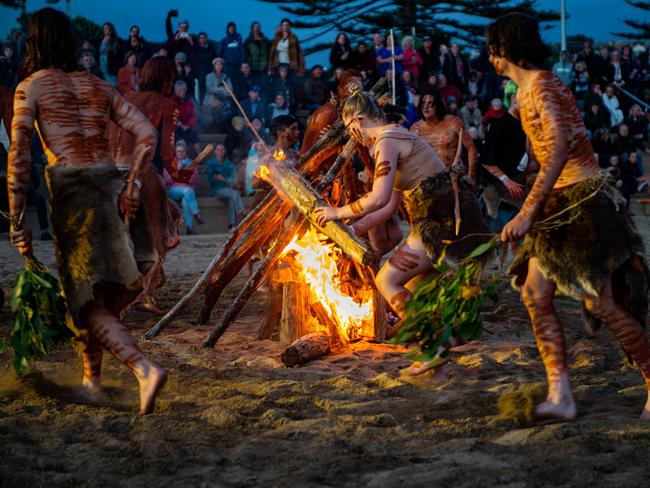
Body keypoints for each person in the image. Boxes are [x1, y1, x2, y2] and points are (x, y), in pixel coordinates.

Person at [487, 12, 650, 421]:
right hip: (560, 203)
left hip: (579, 202)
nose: (490, 58)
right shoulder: (525, 90)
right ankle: (561, 395)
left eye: (493, 49)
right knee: (535, 294)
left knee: (600, 303)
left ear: (504, 49)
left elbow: (558, 149)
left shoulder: (540, 84)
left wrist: (527, 212)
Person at [8, 8, 166, 414]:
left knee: (84, 301)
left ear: (34, 44)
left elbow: (20, 155)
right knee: (99, 296)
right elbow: (147, 132)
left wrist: (16, 217)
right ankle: (91, 382)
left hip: (75, 193)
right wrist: (131, 184)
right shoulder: (99, 86)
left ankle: (143, 368)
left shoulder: (31, 87)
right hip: (112, 186)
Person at [312, 91, 489, 338]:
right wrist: (353, 229)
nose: (354, 134)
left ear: (360, 119)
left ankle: (431, 337)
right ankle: (445, 327)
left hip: (440, 222)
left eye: (350, 126)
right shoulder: (391, 137)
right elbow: (389, 206)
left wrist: (336, 212)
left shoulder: (387, 140)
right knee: (406, 287)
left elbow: (378, 197)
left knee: (386, 281)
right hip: (439, 218)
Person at [108, 56, 181, 316]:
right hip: (138, 171)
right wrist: (179, 173)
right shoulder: (166, 104)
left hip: (106, 174)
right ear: (166, 80)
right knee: (166, 225)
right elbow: (167, 153)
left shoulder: (124, 98)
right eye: (171, 80)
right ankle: (143, 293)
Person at [479, 81, 529, 232]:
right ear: (513, 98)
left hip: (516, 181)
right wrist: (507, 181)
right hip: (495, 186)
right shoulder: (498, 125)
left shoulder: (526, 125)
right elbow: (486, 162)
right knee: (495, 233)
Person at [410, 89, 477, 181]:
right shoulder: (415, 128)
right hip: (427, 182)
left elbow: (471, 148)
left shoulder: (453, 122)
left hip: (454, 178)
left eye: (430, 103)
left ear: (438, 105)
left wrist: (471, 176)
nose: (426, 106)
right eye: (423, 103)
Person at [164, 141, 201, 235]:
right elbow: (167, 180)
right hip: (173, 191)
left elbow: (194, 179)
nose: (181, 153)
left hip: (187, 191)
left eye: (183, 151)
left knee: (186, 200)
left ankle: (189, 228)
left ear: (185, 152)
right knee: (188, 191)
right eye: (179, 151)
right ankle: (196, 213)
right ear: (175, 152)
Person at [206, 143, 244, 229]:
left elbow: (233, 180)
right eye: (218, 149)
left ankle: (231, 225)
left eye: (222, 149)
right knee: (234, 193)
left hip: (228, 190)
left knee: (232, 197)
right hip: (216, 189)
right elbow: (211, 180)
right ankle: (241, 212)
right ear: (215, 151)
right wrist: (227, 180)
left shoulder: (229, 164)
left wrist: (224, 179)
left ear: (225, 151)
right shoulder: (211, 164)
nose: (220, 151)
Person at [203, 58, 233, 132]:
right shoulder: (209, 76)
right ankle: (214, 128)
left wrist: (221, 92)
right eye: (217, 64)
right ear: (214, 66)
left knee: (227, 106)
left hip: (223, 99)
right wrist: (222, 89)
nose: (219, 66)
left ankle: (222, 128)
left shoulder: (226, 77)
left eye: (221, 64)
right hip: (211, 99)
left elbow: (230, 90)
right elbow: (209, 89)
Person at [171, 80, 200, 154]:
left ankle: (200, 156)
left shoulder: (188, 101)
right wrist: (177, 123)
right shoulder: (171, 101)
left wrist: (188, 125)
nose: (183, 92)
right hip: (175, 128)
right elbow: (170, 116)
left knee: (193, 132)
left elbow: (193, 115)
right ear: (177, 91)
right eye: (180, 90)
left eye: (184, 89)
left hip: (186, 126)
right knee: (180, 133)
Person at [193, 32, 217, 102]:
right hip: (200, 76)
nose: (203, 40)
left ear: (206, 39)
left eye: (204, 38)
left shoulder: (212, 50)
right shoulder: (196, 51)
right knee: (201, 94)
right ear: (199, 40)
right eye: (201, 38)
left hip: (210, 76)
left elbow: (215, 62)